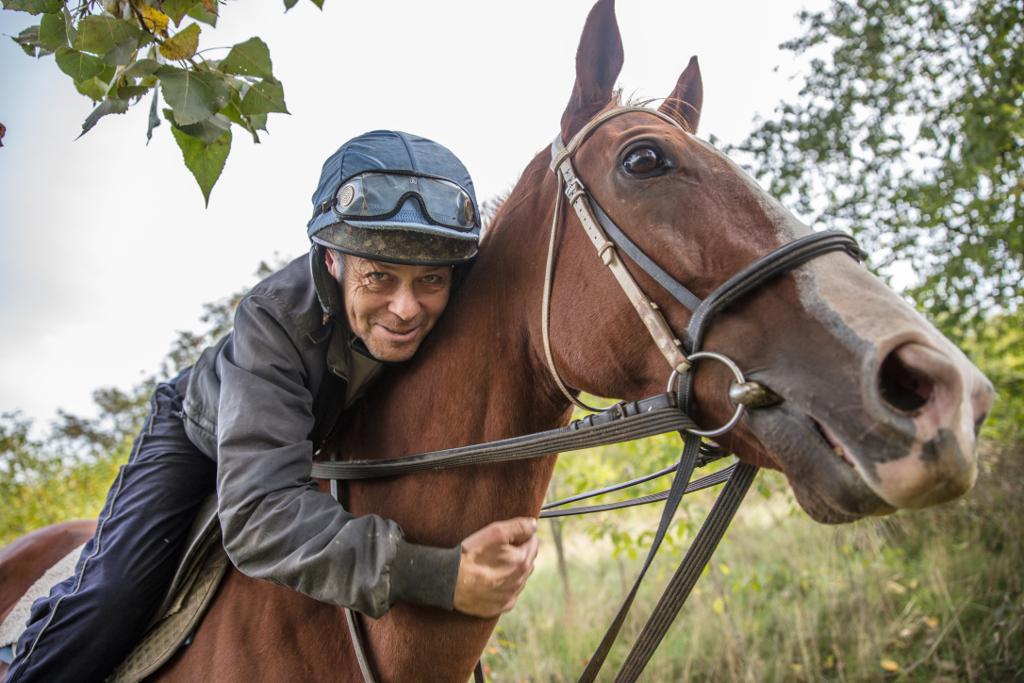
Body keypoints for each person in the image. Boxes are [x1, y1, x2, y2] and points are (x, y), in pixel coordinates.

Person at [5, 130, 539, 682]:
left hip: (314, 433)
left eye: (430, 280)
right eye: (379, 277)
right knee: (113, 593)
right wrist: (437, 577)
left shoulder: (446, 300)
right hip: (200, 432)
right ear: (332, 258)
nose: (406, 309)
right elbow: (260, 514)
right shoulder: (272, 320)